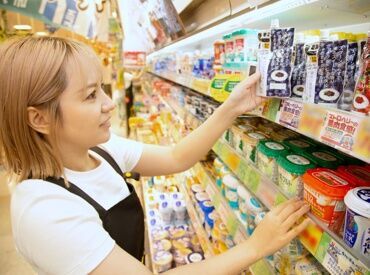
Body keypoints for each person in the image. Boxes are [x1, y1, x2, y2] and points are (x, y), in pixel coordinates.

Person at [0, 37, 310, 275]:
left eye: (103, 89)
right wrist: (255, 246)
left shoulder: (100, 150)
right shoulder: (44, 209)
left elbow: (176, 158)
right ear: (39, 119)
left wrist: (232, 106)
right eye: (91, 95)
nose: (109, 104)